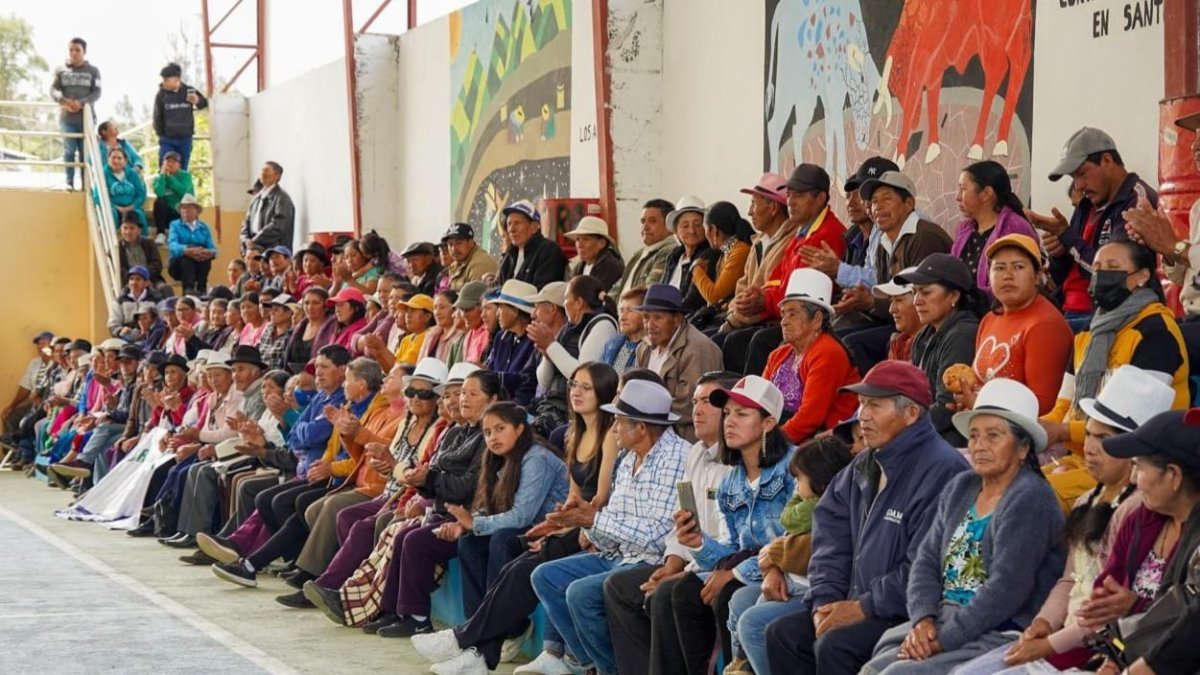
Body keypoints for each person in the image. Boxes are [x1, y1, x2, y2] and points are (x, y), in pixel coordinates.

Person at [954, 365, 1173, 674]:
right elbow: (1070, 579)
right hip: (1061, 635)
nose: (1090, 449)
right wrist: (1044, 623)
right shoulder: (1088, 500)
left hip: (1094, 646)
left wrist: (1048, 644)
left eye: (1104, 439)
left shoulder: (1137, 511)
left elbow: (1104, 608)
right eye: (1089, 435)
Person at [408, 364, 621, 675]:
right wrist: (556, 524)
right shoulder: (573, 434)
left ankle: (468, 641)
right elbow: (572, 499)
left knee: (511, 550)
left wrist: (478, 523)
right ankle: (478, 648)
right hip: (570, 525)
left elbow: (599, 500)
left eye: (586, 387)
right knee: (483, 548)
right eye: (573, 384)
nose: (575, 392)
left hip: (595, 529)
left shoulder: (604, 436)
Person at [764, 360, 970, 675]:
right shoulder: (863, 465)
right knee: (783, 635)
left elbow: (927, 567)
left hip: (910, 612)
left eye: (875, 405)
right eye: (861, 403)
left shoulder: (943, 471)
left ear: (911, 413)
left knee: (835, 646)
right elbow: (830, 542)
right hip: (857, 600)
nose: (863, 415)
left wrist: (865, 606)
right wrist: (824, 603)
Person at [861, 378, 1066, 674]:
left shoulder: (1032, 498)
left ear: (1023, 448)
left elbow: (1005, 592)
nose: (979, 446)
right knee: (873, 668)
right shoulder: (962, 486)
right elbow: (926, 561)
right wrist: (923, 620)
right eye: (974, 436)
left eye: (993, 436)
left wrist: (942, 639)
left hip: (999, 629)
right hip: (944, 619)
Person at [529, 379, 691, 675]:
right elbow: (611, 534)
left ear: (641, 427)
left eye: (619, 421)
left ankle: (611, 669)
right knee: (545, 576)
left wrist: (593, 520)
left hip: (652, 561)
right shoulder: (629, 458)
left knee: (581, 593)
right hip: (620, 556)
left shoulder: (677, 459)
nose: (613, 428)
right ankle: (595, 665)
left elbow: (656, 539)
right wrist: (582, 521)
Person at [653, 376, 796, 673]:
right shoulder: (731, 482)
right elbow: (732, 548)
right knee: (685, 590)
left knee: (728, 592)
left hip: (788, 572)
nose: (729, 421)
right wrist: (698, 543)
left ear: (768, 423)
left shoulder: (793, 468)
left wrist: (734, 573)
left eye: (741, 414)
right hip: (751, 568)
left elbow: (793, 542)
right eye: (728, 413)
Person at [296, 358, 451, 619]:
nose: (415, 398)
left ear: (437, 399)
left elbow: (417, 473)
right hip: (389, 490)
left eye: (424, 393)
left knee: (367, 524)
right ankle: (341, 587)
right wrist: (364, 447)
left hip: (405, 495)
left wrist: (371, 446)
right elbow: (378, 461)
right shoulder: (407, 421)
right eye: (411, 391)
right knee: (344, 516)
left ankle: (345, 591)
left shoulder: (436, 428)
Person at [1041, 240, 1190, 506]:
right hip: (1081, 457)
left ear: (1142, 276)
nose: (1101, 275)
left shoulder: (1156, 333)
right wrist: (1036, 427)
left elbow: (1132, 425)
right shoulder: (1089, 331)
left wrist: (1062, 431)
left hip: (1132, 464)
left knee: (1030, 497)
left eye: (1112, 268)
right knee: (1004, 485)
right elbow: (1064, 405)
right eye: (1097, 268)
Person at [725, 435, 855, 675]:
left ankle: (748, 666)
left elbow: (806, 550)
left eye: (799, 479)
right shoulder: (803, 506)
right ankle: (742, 664)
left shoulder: (828, 508)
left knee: (753, 623)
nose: (795, 485)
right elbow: (783, 543)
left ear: (820, 483)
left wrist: (775, 554)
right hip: (791, 580)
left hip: (813, 590)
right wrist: (773, 567)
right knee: (739, 599)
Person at [1085, 410, 1200, 675]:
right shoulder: (1157, 520)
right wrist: (1116, 659)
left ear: (1173, 475)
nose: (1134, 479)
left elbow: (1193, 624)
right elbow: (1170, 612)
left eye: (1138, 466)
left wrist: (1139, 668)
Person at [722, 164, 847, 376]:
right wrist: (758, 295)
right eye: (789, 195)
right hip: (783, 313)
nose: (791, 202)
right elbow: (777, 279)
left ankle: (752, 398)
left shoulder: (826, 234)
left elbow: (801, 296)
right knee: (734, 340)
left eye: (799, 195)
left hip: (808, 321)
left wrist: (763, 300)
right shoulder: (803, 232)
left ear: (820, 198)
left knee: (755, 341)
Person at [1032, 127, 1156, 330]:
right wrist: (1059, 253)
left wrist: (1067, 236)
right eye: (1073, 178)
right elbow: (1064, 272)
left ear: (1107, 160)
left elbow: (1113, 277)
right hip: (1068, 311)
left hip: (1110, 317)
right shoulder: (1086, 205)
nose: (1078, 185)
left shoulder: (1137, 201)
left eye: (1082, 173)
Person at [960, 234, 1072, 415]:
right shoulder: (989, 319)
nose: (1008, 275)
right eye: (999, 268)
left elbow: (1044, 405)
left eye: (1018, 267)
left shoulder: (1044, 326)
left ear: (1038, 275)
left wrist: (979, 405)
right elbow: (978, 383)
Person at [893, 254, 986, 443]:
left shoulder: (962, 334)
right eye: (915, 292)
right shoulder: (924, 335)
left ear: (954, 296)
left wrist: (899, 431)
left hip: (953, 438)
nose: (917, 300)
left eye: (926, 292)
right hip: (927, 429)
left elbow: (947, 407)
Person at [764, 269, 860, 443]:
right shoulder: (778, 354)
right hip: (781, 432)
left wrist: (770, 443)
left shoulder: (828, 352)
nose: (784, 321)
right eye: (783, 314)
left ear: (816, 320)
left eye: (792, 314)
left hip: (821, 439)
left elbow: (810, 418)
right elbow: (759, 401)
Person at [1126, 110, 1200, 323]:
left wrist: (1172, 245)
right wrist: (1162, 245)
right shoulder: (1198, 208)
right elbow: (1184, 277)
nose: (1194, 147)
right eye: (1195, 137)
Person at [633, 284, 724, 442]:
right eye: (646, 317)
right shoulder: (644, 348)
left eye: (658, 318)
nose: (650, 325)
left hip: (685, 437)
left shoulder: (697, 349)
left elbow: (688, 406)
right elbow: (634, 389)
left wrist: (641, 413)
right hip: (650, 430)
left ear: (677, 319)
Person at [722, 172, 800, 346]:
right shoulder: (758, 242)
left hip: (769, 320)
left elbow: (767, 295)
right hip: (743, 318)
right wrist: (733, 311)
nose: (749, 212)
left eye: (754, 204)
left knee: (730, 342)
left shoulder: (791, 241)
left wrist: (733, 319)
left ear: (773, 208)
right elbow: (743, 286)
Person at [951, 161, 1040, 297]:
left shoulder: (1014, 227)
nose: (957, 197)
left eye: (963, 189)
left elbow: (1015, 285)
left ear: (986, 194)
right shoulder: (964, 230)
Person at [50, 37, 100, 191]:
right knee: (69, 151)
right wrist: (64, 101)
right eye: (71, 49)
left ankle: (86, 184)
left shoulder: (93, 71)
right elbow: (53, 89)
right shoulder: (60, 70)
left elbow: (97, 92)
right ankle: (69, 182)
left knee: (85, 153)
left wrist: (81, 103)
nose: (74, 53)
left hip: (86, 119)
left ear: (84, 51)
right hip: (67, 119)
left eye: (77, 50)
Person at [483, 280, 538, 405]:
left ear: (515, 311)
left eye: (501, 307)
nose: (497, 314)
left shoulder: (534, 340)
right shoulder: (500, 337)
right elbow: (490, 372)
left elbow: (526, 383)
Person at [610, 199, 678, 297]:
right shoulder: (639, 253)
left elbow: (648, 292)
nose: (645, 227)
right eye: (642, 221)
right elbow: (619, 286)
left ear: (669, 225)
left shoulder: (668, 251)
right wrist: (606, 302)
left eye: (652, 221)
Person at [661, 196, 715, 309]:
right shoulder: (674, 257)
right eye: (685, 226)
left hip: (686, 315)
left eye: (698, 225)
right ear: (676, 231)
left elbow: (694, 300)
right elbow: (661, 289)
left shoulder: (709, 255)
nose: (692, 231)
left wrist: (672, 314)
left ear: (706, 228)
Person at [497, 200, 568, 287]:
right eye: (509, 224)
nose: (511, 229)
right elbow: (499, 286)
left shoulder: (549, 251)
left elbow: (542, 291)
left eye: (517, 223)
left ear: (534, 227)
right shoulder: (510, 256)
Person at [153, 62, 208, 170]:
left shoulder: (188, 90)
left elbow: (204, 103)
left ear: (176, 79)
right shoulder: (161, 95)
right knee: (165, 166)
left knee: (182, 168)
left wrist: (197, 100)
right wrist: (161, 134)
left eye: (166, 80)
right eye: (163, 80)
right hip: (167, 138)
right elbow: (157, 117)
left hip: (185, 138)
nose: (164, 83)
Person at [167, 195, 217, 295]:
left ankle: (202, 290)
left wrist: (208, 252)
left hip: (199, 264)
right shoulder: (175, 225)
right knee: (187, 259)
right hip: (179, 265)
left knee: (204, 259)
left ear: (197, 211)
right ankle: (188, 291)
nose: (186, 211)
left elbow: (213, 248)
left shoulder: (204, 227)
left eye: (189, 208)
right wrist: (186, 250)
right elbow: (172, 244)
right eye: (183, 208)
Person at [241, 161, 295, 250]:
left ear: (277, 176)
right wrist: (245, 242)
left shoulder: (282, 198)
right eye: (262, 170)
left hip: (273, 250)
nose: (262, 174)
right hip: (253, 248)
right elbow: (246, 224)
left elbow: (278, 226)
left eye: (266, 171)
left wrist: (255, 241)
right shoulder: (256, 199)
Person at [871, 267, 920, 362]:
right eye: (891, 301)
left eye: (899, 300)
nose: (891, 309)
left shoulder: (936, 349)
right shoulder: (898, 344)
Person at [565, 216, 625, 291]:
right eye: (577, 239)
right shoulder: (579, 267)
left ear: (602, 243)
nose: (579, 245)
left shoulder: (610, 267)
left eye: (585, 239)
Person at [284, 288, 335, 373]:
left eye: (316, 303)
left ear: (326, 307)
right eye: (306, 303)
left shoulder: (332, 328)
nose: (310, 307)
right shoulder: (298, 328)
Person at [600, 287, 646, 376]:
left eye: (630, 311)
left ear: (646, 314)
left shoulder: (650, 350)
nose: (622, 317)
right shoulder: (612, 343)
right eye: (621, 311)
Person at [102, 147, 148, 236]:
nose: (116, 161)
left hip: (131, 206)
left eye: (119, 158)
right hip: (112, 207)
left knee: (139, 215)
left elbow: (141, 195)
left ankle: (143, 242)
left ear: (125, 161)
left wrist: (132, 206)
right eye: (113, 158)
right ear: (108, 159)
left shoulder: (132, 174)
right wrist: (115, 206)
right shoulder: (103, 174)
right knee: (110, 214)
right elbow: (97, 196)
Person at [108, 266, 163, 339]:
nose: (134, 282)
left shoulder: (156, 299)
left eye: (138, 279)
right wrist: (120, 330)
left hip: (150, 337)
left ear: (146, 283)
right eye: (131, 279)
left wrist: (149, 331)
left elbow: (162, 320)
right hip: (125, 338)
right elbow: (112, 323)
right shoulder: (120, 300)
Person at [151, 150, 194, 242]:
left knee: (189, 205)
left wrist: (171, 178)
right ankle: (160, 233)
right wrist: (163, 176)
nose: (170, 164)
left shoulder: (186, 176)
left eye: (174, 161)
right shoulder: (158, 178)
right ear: (163, 163)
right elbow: (160, 193)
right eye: (168, 161)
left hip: (181, 213)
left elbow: (185, 192)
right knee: (159, 201)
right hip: (167, 214)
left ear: (179, 165)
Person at [443, 223, 499, 291]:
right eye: (450, 244)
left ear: (471, 243)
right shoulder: (457, 263)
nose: (454, 249)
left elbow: (474, 296)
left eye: (458, 243)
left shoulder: (480, 264)